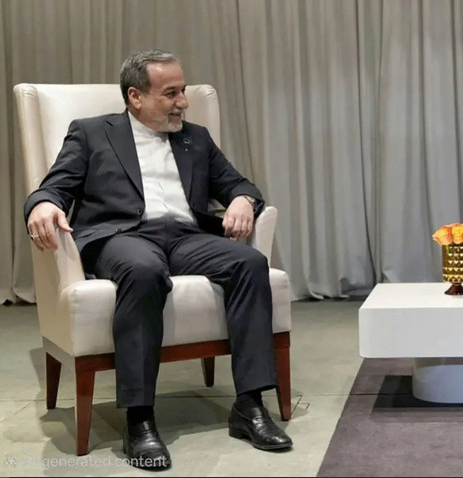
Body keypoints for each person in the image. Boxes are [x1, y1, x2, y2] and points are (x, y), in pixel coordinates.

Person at [24, 50, 292, 470]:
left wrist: (242, 198)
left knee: (249, 263)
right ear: (135, 96)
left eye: (182, 91)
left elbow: (239, 183)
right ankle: (139, 419)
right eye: (171, 94)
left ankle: (250, 405)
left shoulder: (195, 138)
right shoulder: (92, 133)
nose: (183, 102)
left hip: (185, 237)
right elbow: (55, 186)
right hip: (122, 237)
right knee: (143, 270)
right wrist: (42, 204)